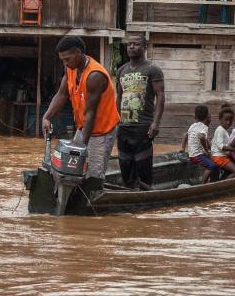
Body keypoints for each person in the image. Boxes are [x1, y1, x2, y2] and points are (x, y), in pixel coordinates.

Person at [42, 36, 119, 182]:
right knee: (73, 169)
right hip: (83, 127)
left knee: (93, 176)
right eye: (62, 60)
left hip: (101, 131)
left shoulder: (94, 76)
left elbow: (91, 114)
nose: (65, 63)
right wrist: (46, 116)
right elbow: (61, 94)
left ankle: (92, 197)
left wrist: (81, 148)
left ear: (78, 53)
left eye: (67, 59)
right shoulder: (71, 68)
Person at [116, 34, 165, 189]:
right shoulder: (121, 70)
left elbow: (160, 96)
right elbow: (119, 97)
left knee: (143, 165)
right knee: (125, 165)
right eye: (129, 44)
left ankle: (145, 196)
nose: (131, 47)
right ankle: (129, 194)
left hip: (143, 125)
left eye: (136, 44)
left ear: (144, 47)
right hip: (124, 126)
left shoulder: (153, 69)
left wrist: (155, 123)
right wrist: (116, 121)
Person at [181, 104, 216, 184]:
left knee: (209, 159)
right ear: (207, 117)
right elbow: (201, 137)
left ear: (195, 116)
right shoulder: (204, 127)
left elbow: (185, 135)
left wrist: (182, 148)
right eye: (210, 116)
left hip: (193, 153)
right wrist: (206, 150)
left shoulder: (193, 125)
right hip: (196, 155)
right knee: (211, 165)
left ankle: (210, 180)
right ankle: (203, 184)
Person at [209, 105, 235, 179]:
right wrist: (234, 150)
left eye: (230, 120)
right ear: (220, 119)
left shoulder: (224, 131)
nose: (228, 122)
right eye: (226, 120)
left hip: (221, 156)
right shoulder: (220, 130)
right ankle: (225, 184)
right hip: (219, 157)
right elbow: (221, 147)